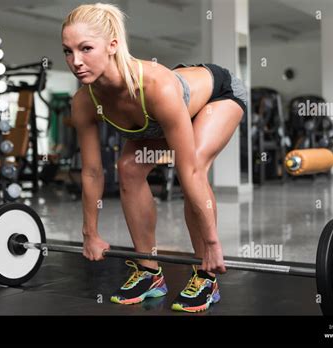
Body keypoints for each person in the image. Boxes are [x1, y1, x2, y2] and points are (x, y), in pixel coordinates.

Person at [62, 3, 247, 312]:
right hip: (167, 108)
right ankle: (149, 271)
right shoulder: (84, 100)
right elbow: (93, 171)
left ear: (113, 45)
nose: (76, 61)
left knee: (194, 165)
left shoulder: (154, 86)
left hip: (218, 96)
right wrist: (90, 234)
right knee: (128, 169)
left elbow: (189, 172)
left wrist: (213, 242)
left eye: (86, 48)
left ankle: (205, 275)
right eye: (68, 51)